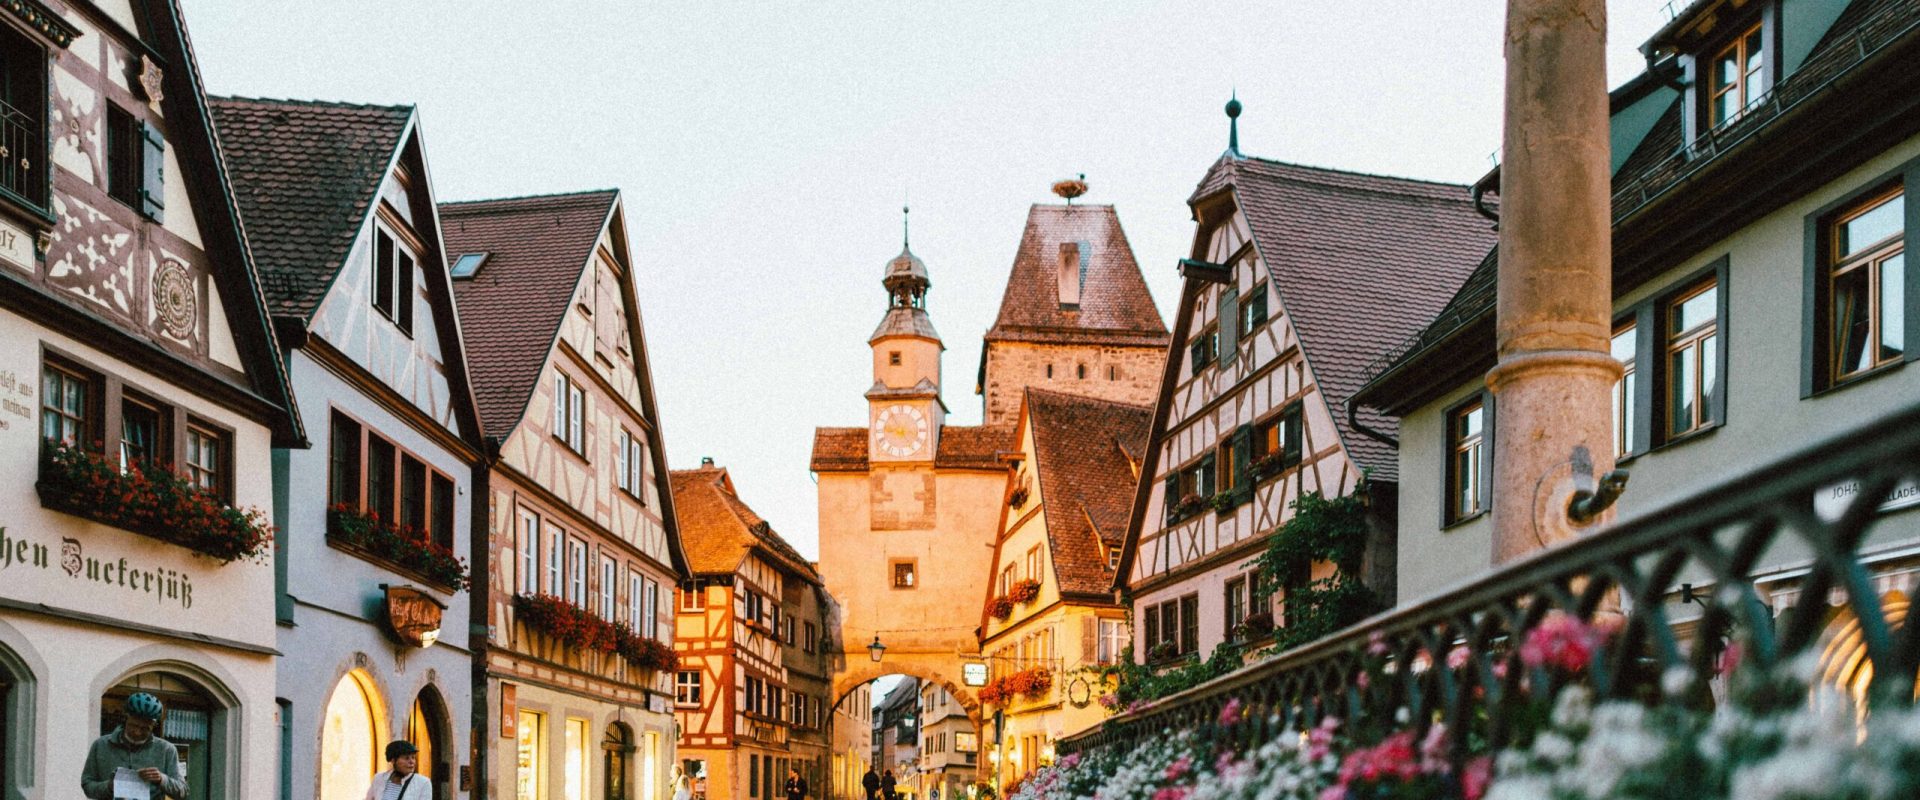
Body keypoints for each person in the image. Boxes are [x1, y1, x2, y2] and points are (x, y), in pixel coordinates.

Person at [81, 692, 189, 800]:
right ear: (126, 718)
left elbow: (183, 791)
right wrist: (109, 786)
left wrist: (162, 779)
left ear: (154, 725)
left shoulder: (167, 750)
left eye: (145, 728)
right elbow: (87, 785)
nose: (137, 732)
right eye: (133, 725)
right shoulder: (101, 745)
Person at [363, 740, 433, 800]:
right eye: (406, 758)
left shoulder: (423, 783)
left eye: (413, 757)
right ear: (393, 760)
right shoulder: (379, 778)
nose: (412, 762)